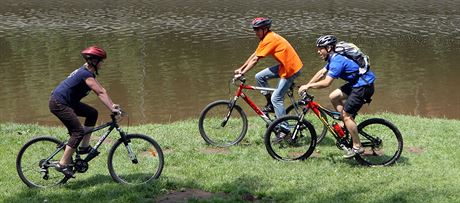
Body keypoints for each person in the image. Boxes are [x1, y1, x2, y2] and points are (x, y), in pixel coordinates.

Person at [298, 35, 375, 158]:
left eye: (320, 48)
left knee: (347, 116)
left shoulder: (337, 61)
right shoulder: (333, 58)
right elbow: (321, 73)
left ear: (328, 48)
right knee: (334, 96)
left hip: (363, 86)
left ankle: (357, 146)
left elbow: (326, 82)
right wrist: (307, 84)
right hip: (357, 83)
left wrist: (309, 87)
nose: (318, 51)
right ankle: (346, 123)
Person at [49, 46, 120, 177]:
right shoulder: (85, 74)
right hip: (59, 103)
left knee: (92, 113)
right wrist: (112, 108)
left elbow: (101, 89)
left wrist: (112, 104)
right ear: (94, 61)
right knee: (78, 132)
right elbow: (100, 92)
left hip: (68, 102)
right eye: (101, 61)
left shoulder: (88, 73)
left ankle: (84, 147)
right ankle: (63, 164)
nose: (102, 63)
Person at [234, 17, 303, 137]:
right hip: (284, 65)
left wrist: (243, 73)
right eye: (254, 30)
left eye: (257, 30)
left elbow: (256, 59)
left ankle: (285, 130)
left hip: (291, 68)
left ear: (265, 29)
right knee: (259, 76)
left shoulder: (270, 39)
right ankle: (270, 105)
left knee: (276, 98)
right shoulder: (265, 38)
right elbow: (255, 54)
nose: (255, 32)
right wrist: (241, 68)